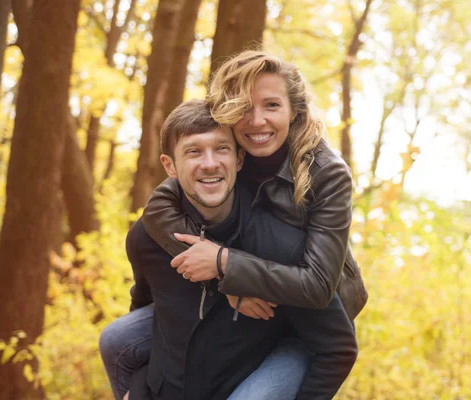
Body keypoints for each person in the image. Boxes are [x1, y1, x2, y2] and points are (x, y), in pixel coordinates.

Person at [99, 50, 368, 398]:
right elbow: (160, 206)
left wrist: (224, 264)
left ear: (294, 110)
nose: (256, 121)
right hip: (250, 280)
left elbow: (317, 287)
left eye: (271, 105)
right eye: (243, 107)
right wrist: (225, 276)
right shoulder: (227, 151)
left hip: (311, 303)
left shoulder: (326, 173)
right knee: (117, 340)